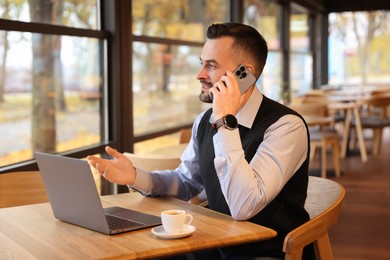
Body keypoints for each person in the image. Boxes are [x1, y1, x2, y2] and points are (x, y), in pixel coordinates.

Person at [88, 23, 314, 259]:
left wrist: (226, 122)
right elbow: (186, 182)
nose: (200, 75)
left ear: (244, 74)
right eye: (201, 63)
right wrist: (136, 176)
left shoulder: (286, 126)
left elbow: (243, 206)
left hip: (267, 253)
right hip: (215, 245)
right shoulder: (205, 121)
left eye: (211, 65)